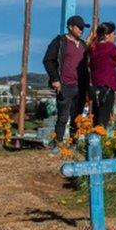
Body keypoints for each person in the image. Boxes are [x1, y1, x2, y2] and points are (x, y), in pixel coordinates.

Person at [42, 15, 90, 150]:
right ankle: (57, 143)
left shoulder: (83, 45)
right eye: (79, 27)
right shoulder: (60, 41)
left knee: (77, 117)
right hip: (65, 85)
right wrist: (55, 79)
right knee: (63, 116)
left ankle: (74, 144)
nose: (81, 30)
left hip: (80, 87)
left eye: (83, 28)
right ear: (70, 27)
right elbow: (48, 60)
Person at [87, 22, 116, 129]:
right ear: (107, 35)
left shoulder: (93, 47)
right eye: (114, 34)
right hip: (107, 87)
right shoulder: (110, 47)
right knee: (104, 119)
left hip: (94, 87)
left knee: (96, 117)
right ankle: (99, 142)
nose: (115, 36)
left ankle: (92, 140)